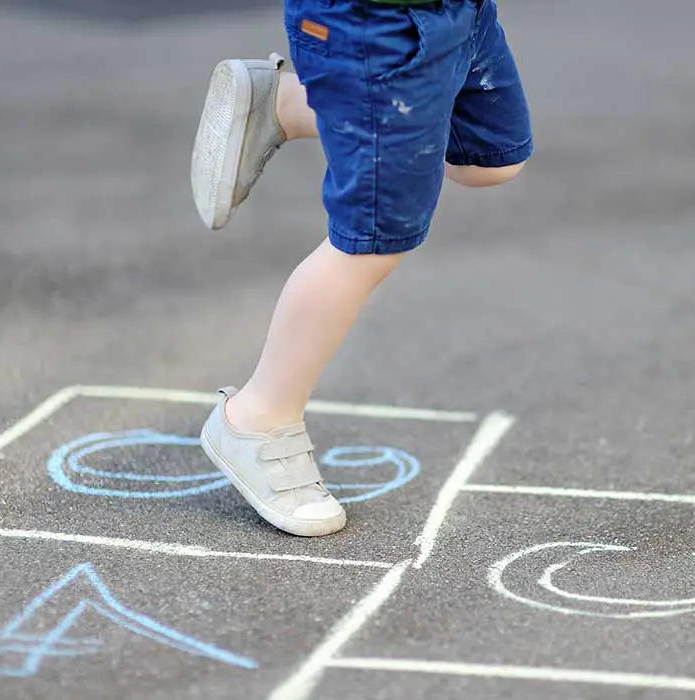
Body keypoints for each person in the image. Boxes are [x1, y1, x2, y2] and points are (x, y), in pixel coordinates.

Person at [189, 0, 532, 537]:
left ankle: (288, 103)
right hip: (375, 31)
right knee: (371, 242)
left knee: (491, 159)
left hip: (458, 16)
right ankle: (258, 414)